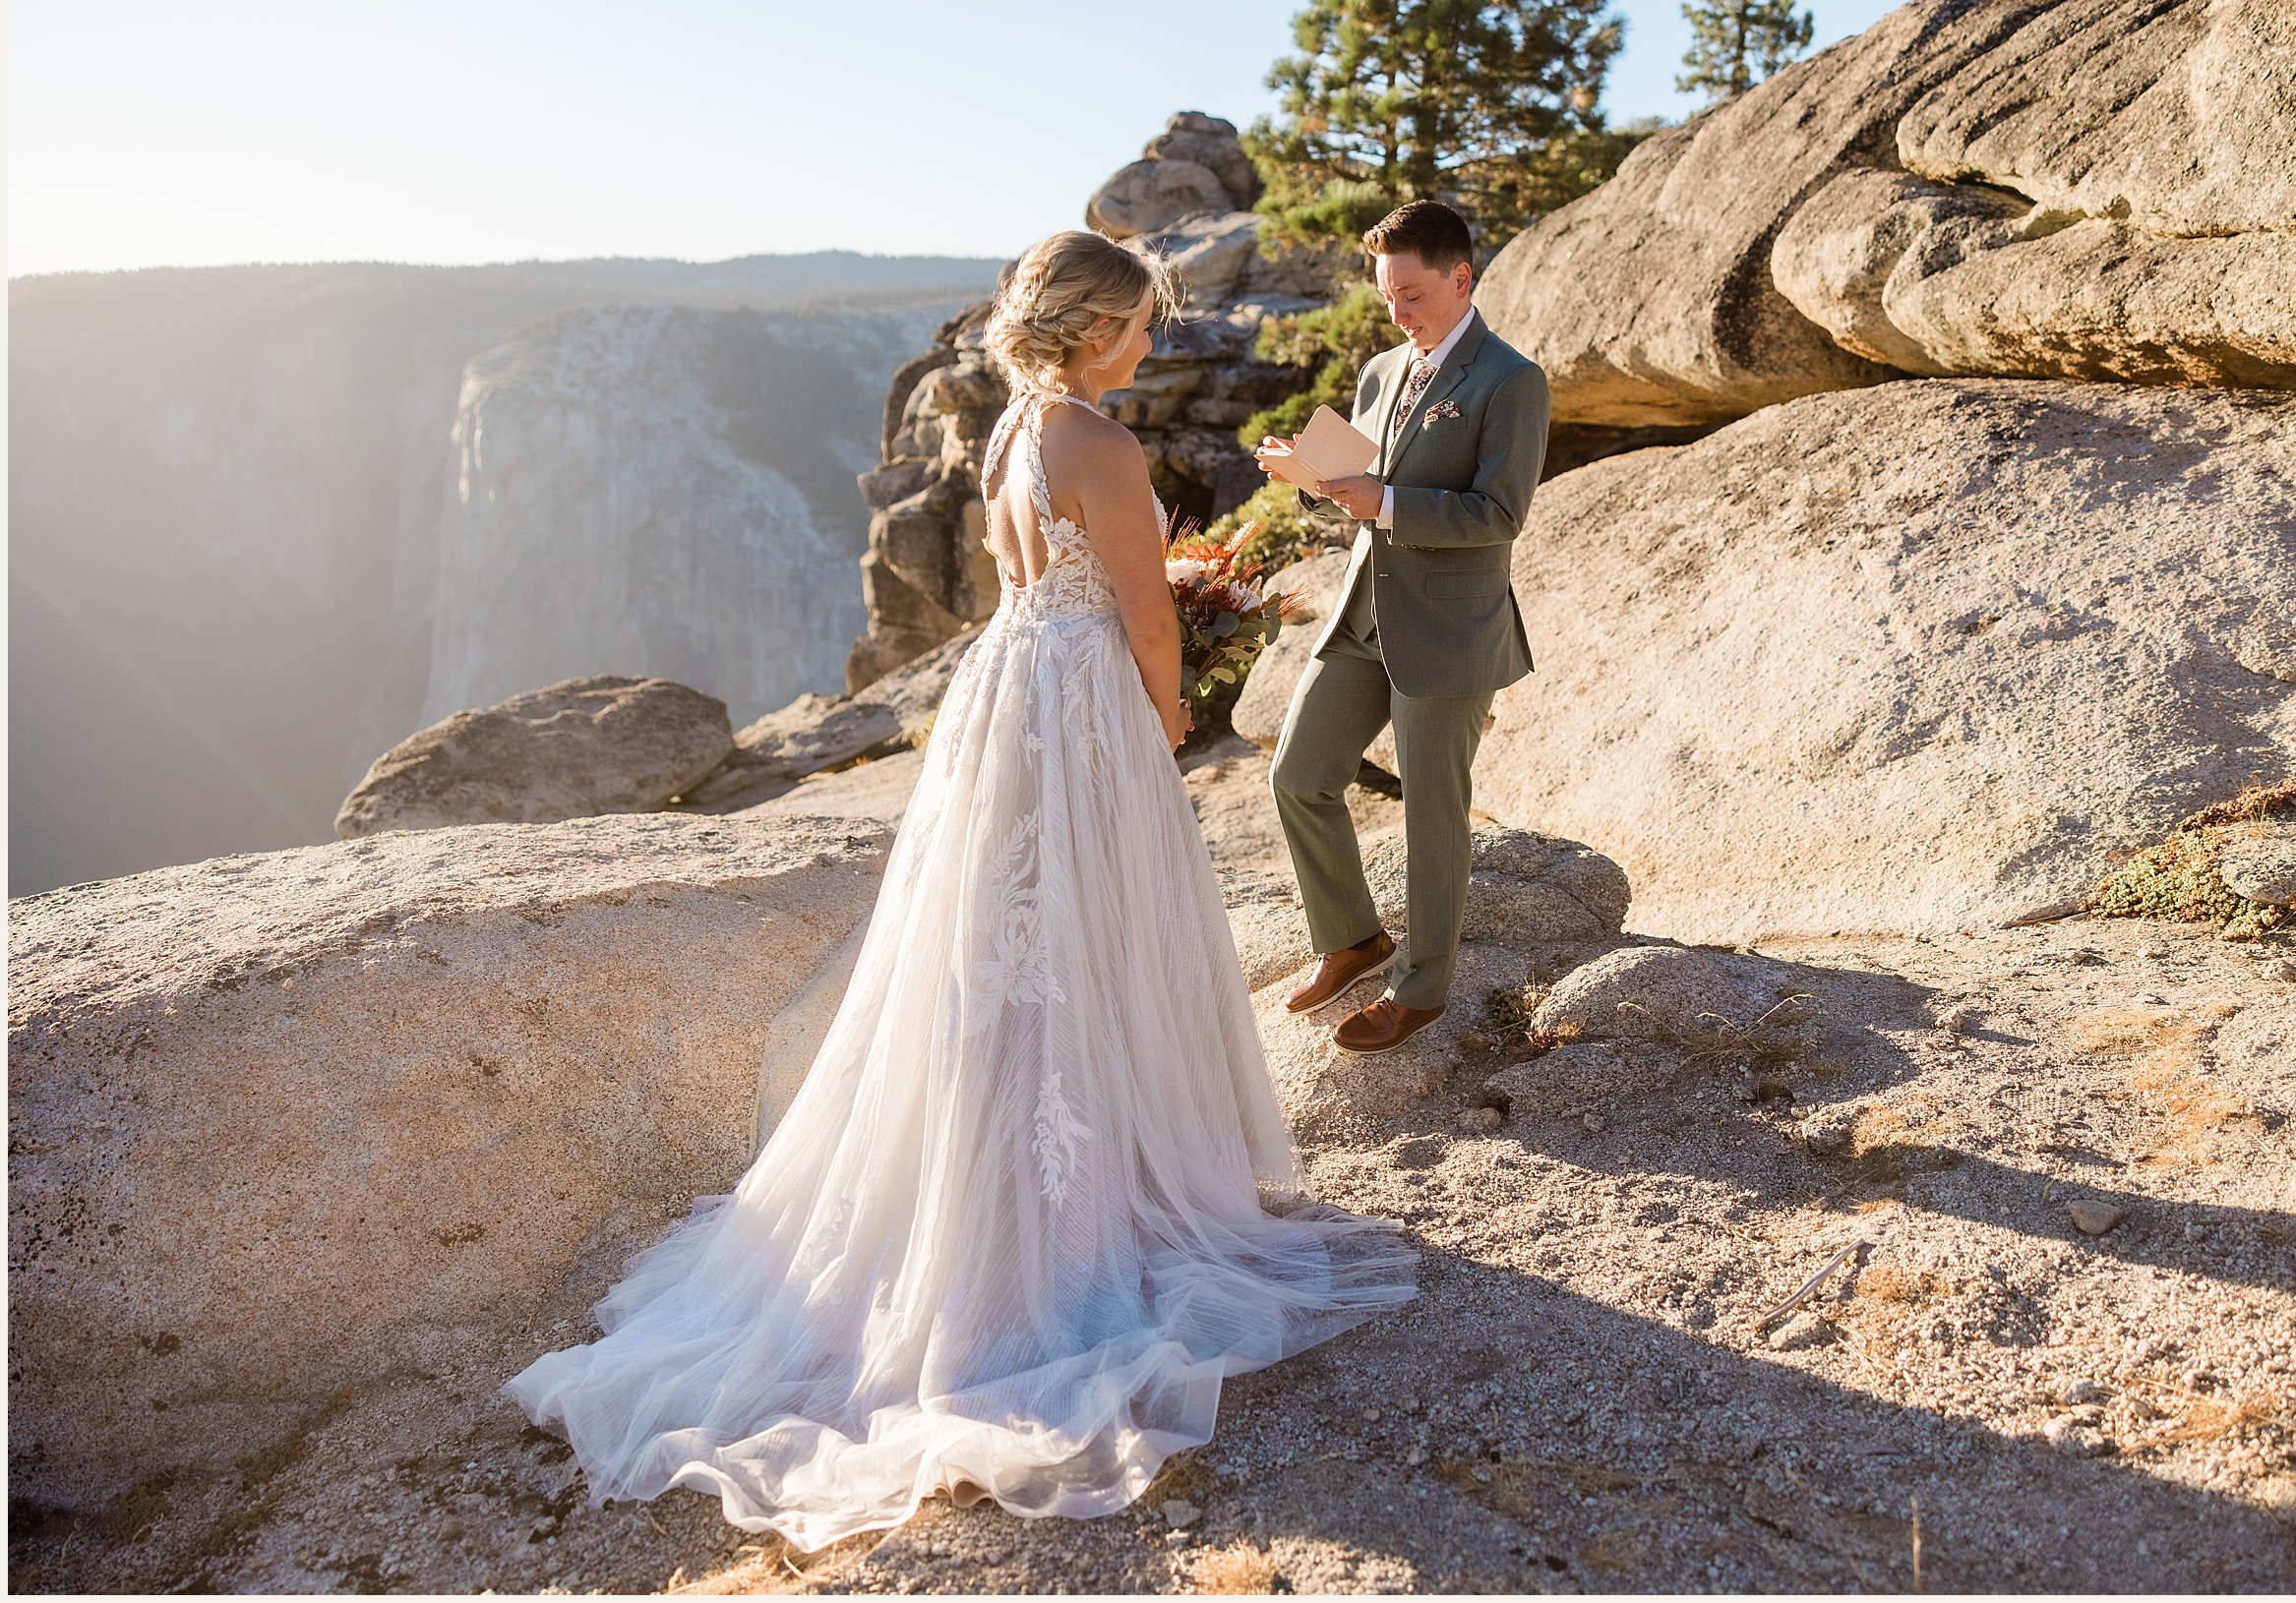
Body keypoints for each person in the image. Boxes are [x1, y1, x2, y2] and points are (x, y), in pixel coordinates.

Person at [503, 230, 1414, 1552]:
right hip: (1086, 702)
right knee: (1089, 939)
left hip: (1011, 695)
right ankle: (1068, 1223)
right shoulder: (1099, 445)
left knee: (1002, 950)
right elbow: (1141, 621)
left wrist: (1158, 591)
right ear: (1092, 329)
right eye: (1140, 325)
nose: (1153, 343)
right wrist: (1164, 723)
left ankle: (995, 1179)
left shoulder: (1010, 431)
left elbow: (1048, 581)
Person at [1255, 200, 1549, 1056]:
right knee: (1299, 774)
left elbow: (1500, 513)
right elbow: (1367, 484)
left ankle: (1420, 990)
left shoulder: (1511, 380)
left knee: (1431, 815)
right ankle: (1352, 939)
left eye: (1413, 295)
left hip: (1451, 631)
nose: (1398, 314)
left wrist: (1383, 501)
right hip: (1363, 612)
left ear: (1463, 278)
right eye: (1388, 297)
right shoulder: (1383, 370)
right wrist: (1315, 478)